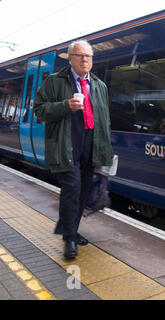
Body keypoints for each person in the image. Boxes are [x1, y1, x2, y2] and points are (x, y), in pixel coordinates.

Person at [34, 40, 113, 259]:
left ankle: (72, 230)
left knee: (82, 191)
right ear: (70, 59)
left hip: (91, 148)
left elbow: (104, 121)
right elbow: (39, 110)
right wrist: (64, 106)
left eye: (88, 56)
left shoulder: (99, 86)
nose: (85, 60)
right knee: (72, 190)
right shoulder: (54, 82)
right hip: (66, 146)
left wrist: (105, 152)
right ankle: (69, 238)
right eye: (79, 56)